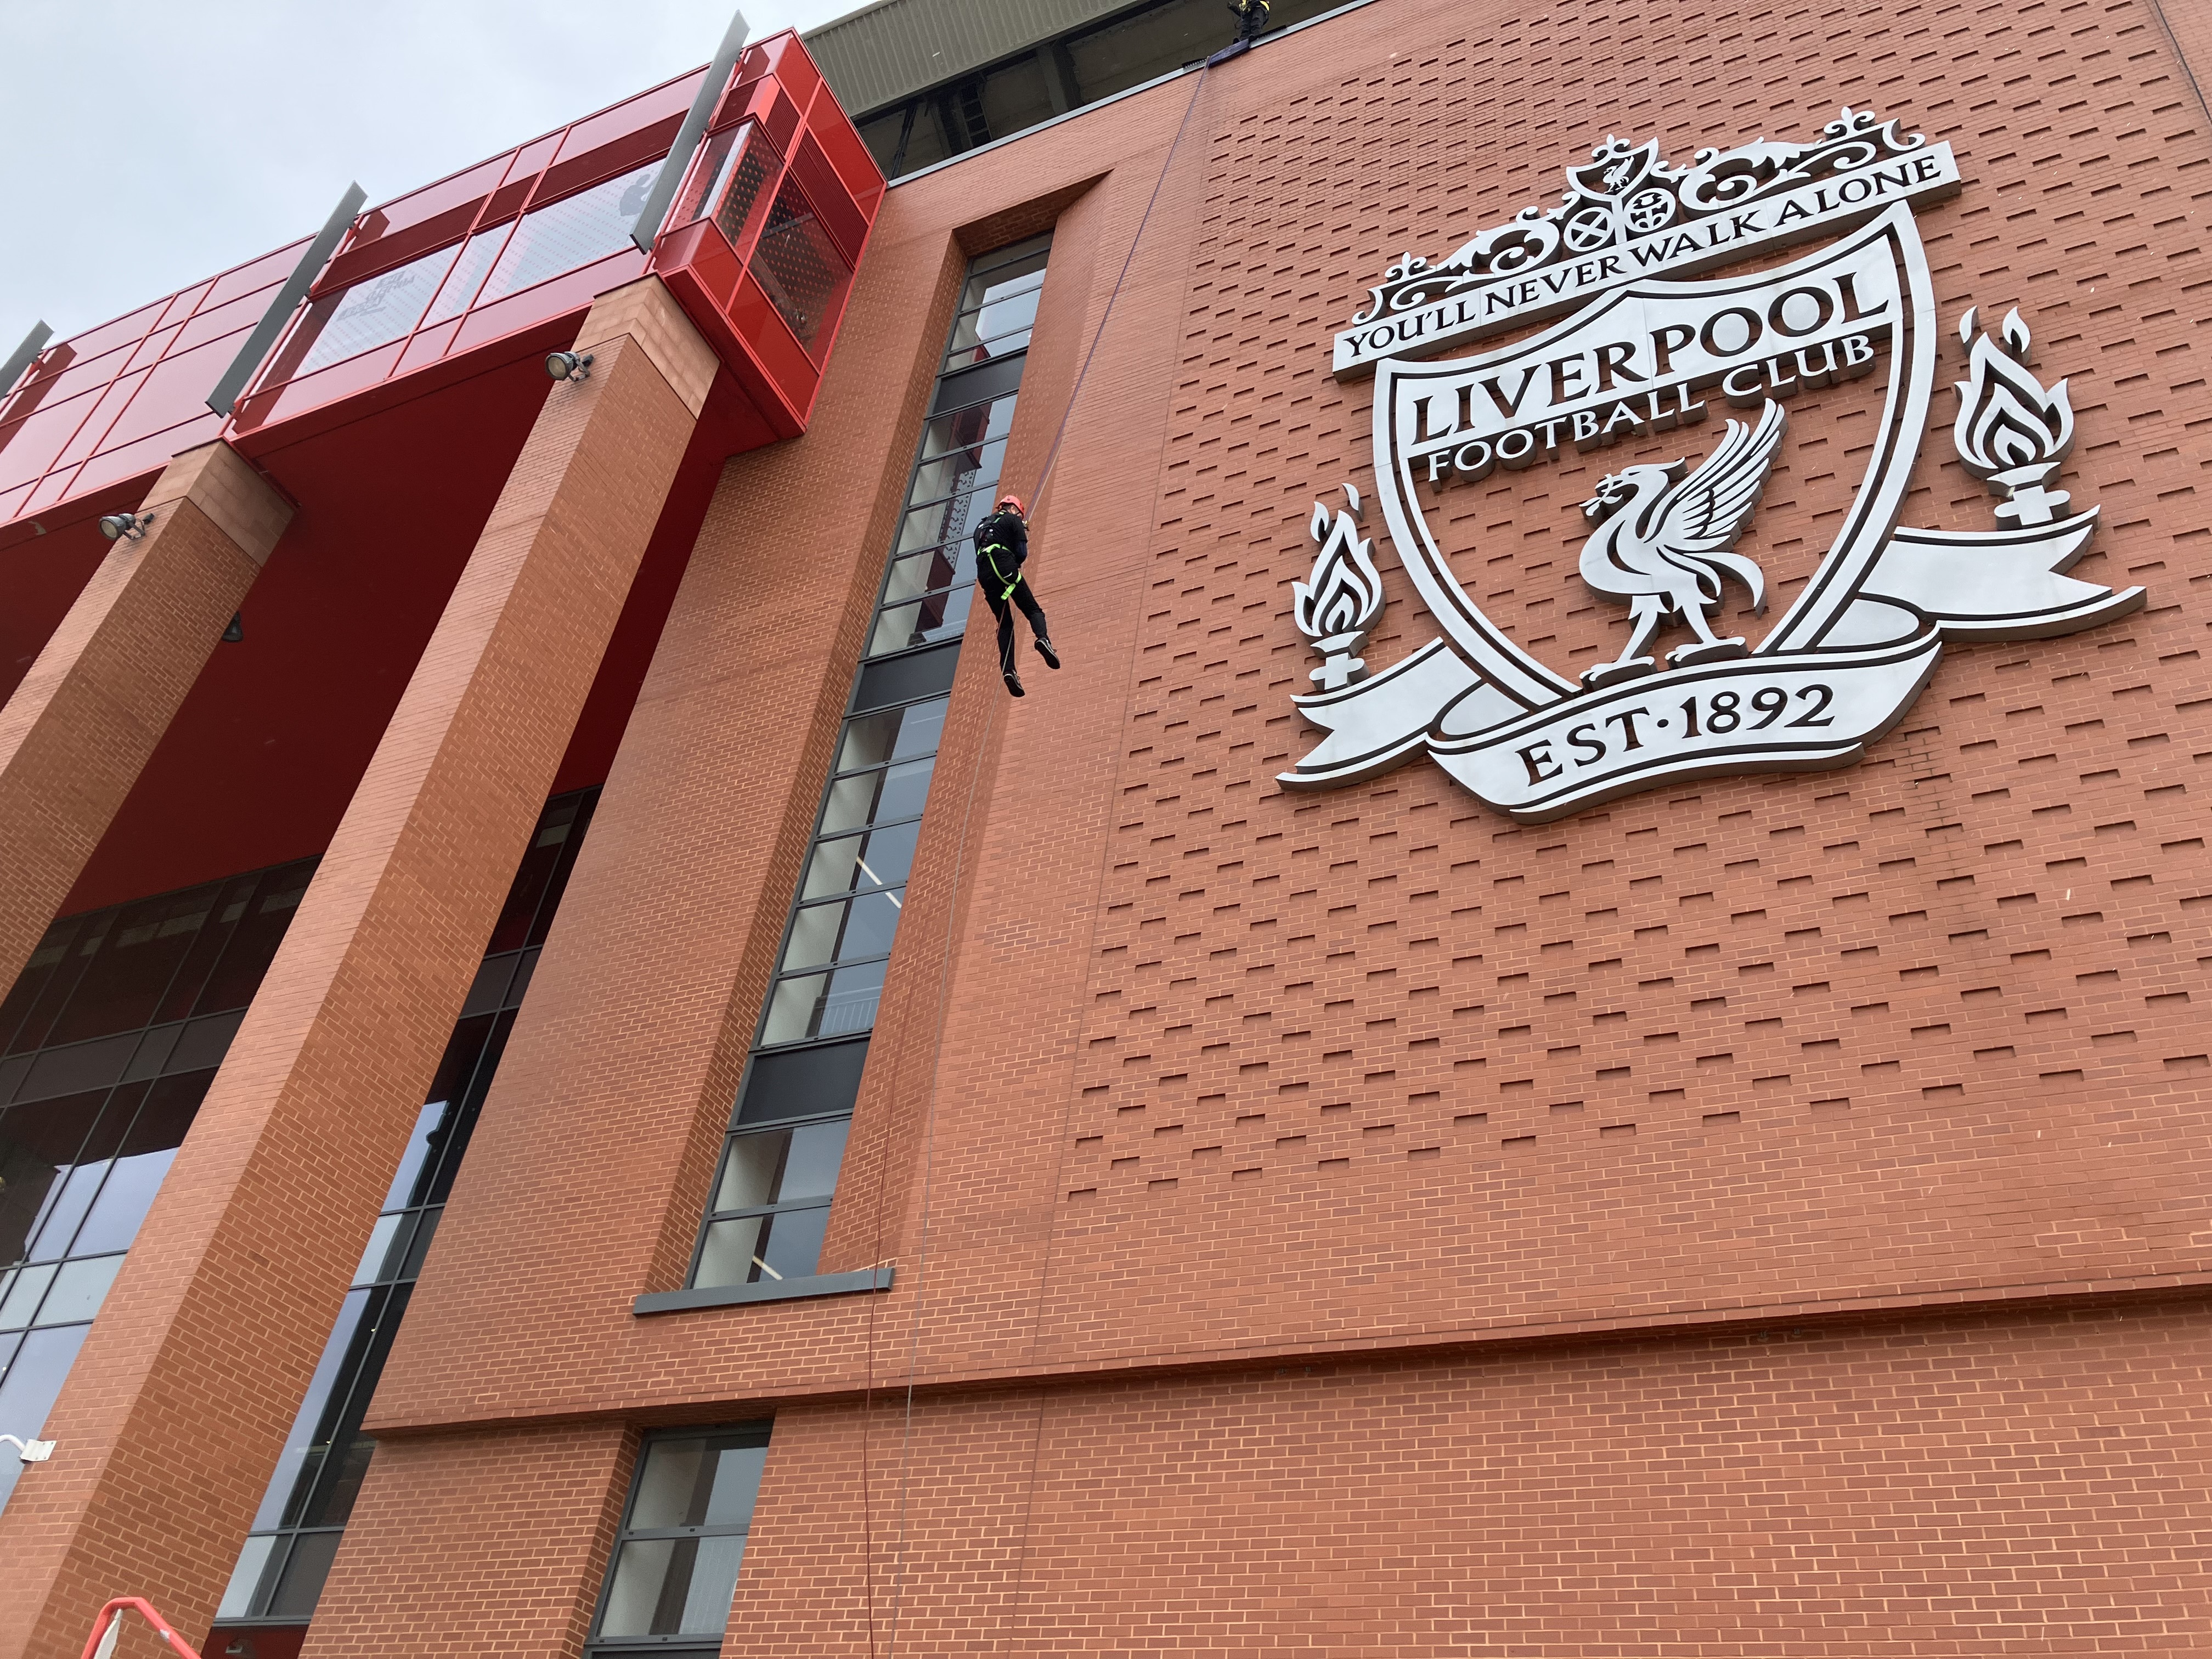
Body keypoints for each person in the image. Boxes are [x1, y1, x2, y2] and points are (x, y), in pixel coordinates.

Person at [973, 493, 1060, 696]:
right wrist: (1019, 538)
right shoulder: (1014, 520)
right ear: (1014, 510)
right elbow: (1021, 552)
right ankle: (1042, 639)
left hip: (985, 574)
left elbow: (985, 544)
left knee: (1005, 624)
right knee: (1032, 609)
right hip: (1004, 565)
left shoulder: (980, 527)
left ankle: (1009, 670)